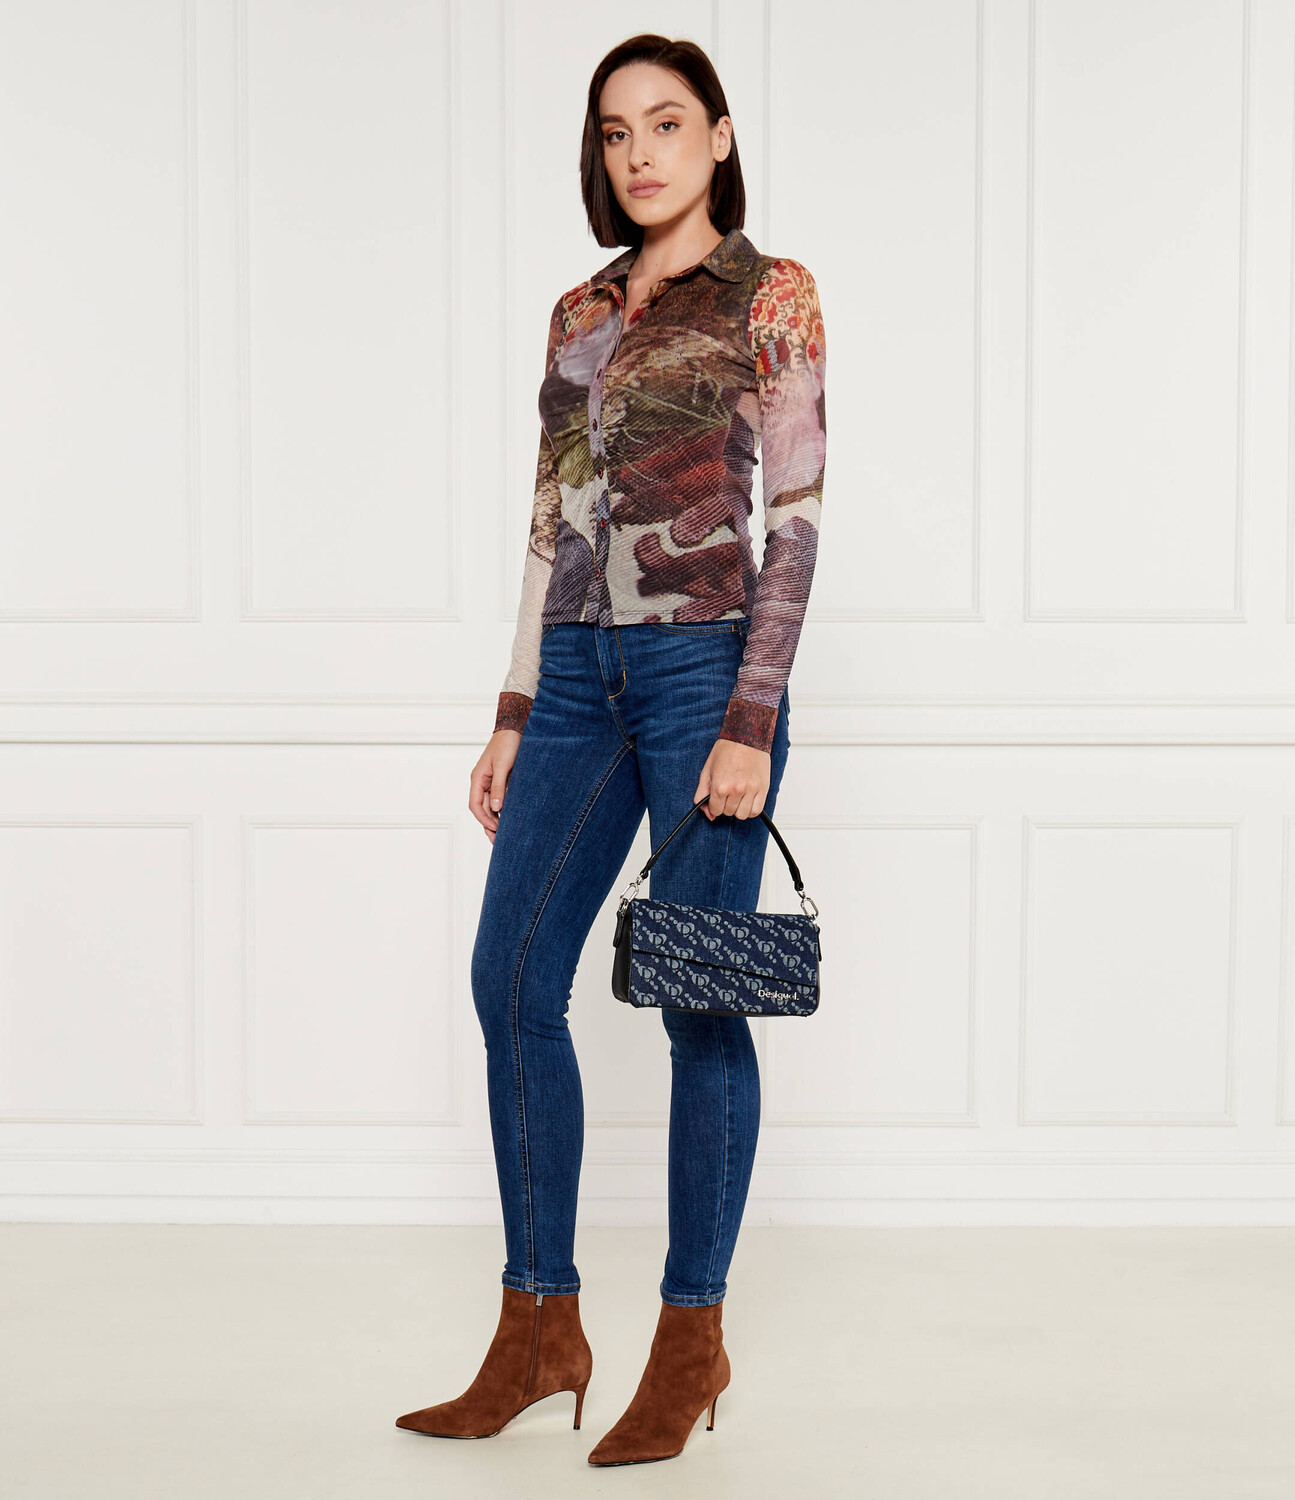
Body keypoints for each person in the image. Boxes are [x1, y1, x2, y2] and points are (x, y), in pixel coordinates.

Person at [395, 31, 826, 1468]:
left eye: (666, 123)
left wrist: (752, 719)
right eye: (615, 132)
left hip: (707, 670)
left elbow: (796, 518)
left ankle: (691, 1339)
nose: (639, 153)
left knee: (700, 1002)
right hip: (579, 671)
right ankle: (539, 1325)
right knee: (512, 978)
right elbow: (550, 516)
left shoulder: (772, 294)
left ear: (718, 136)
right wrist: (515, 707)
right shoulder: (579, 312)